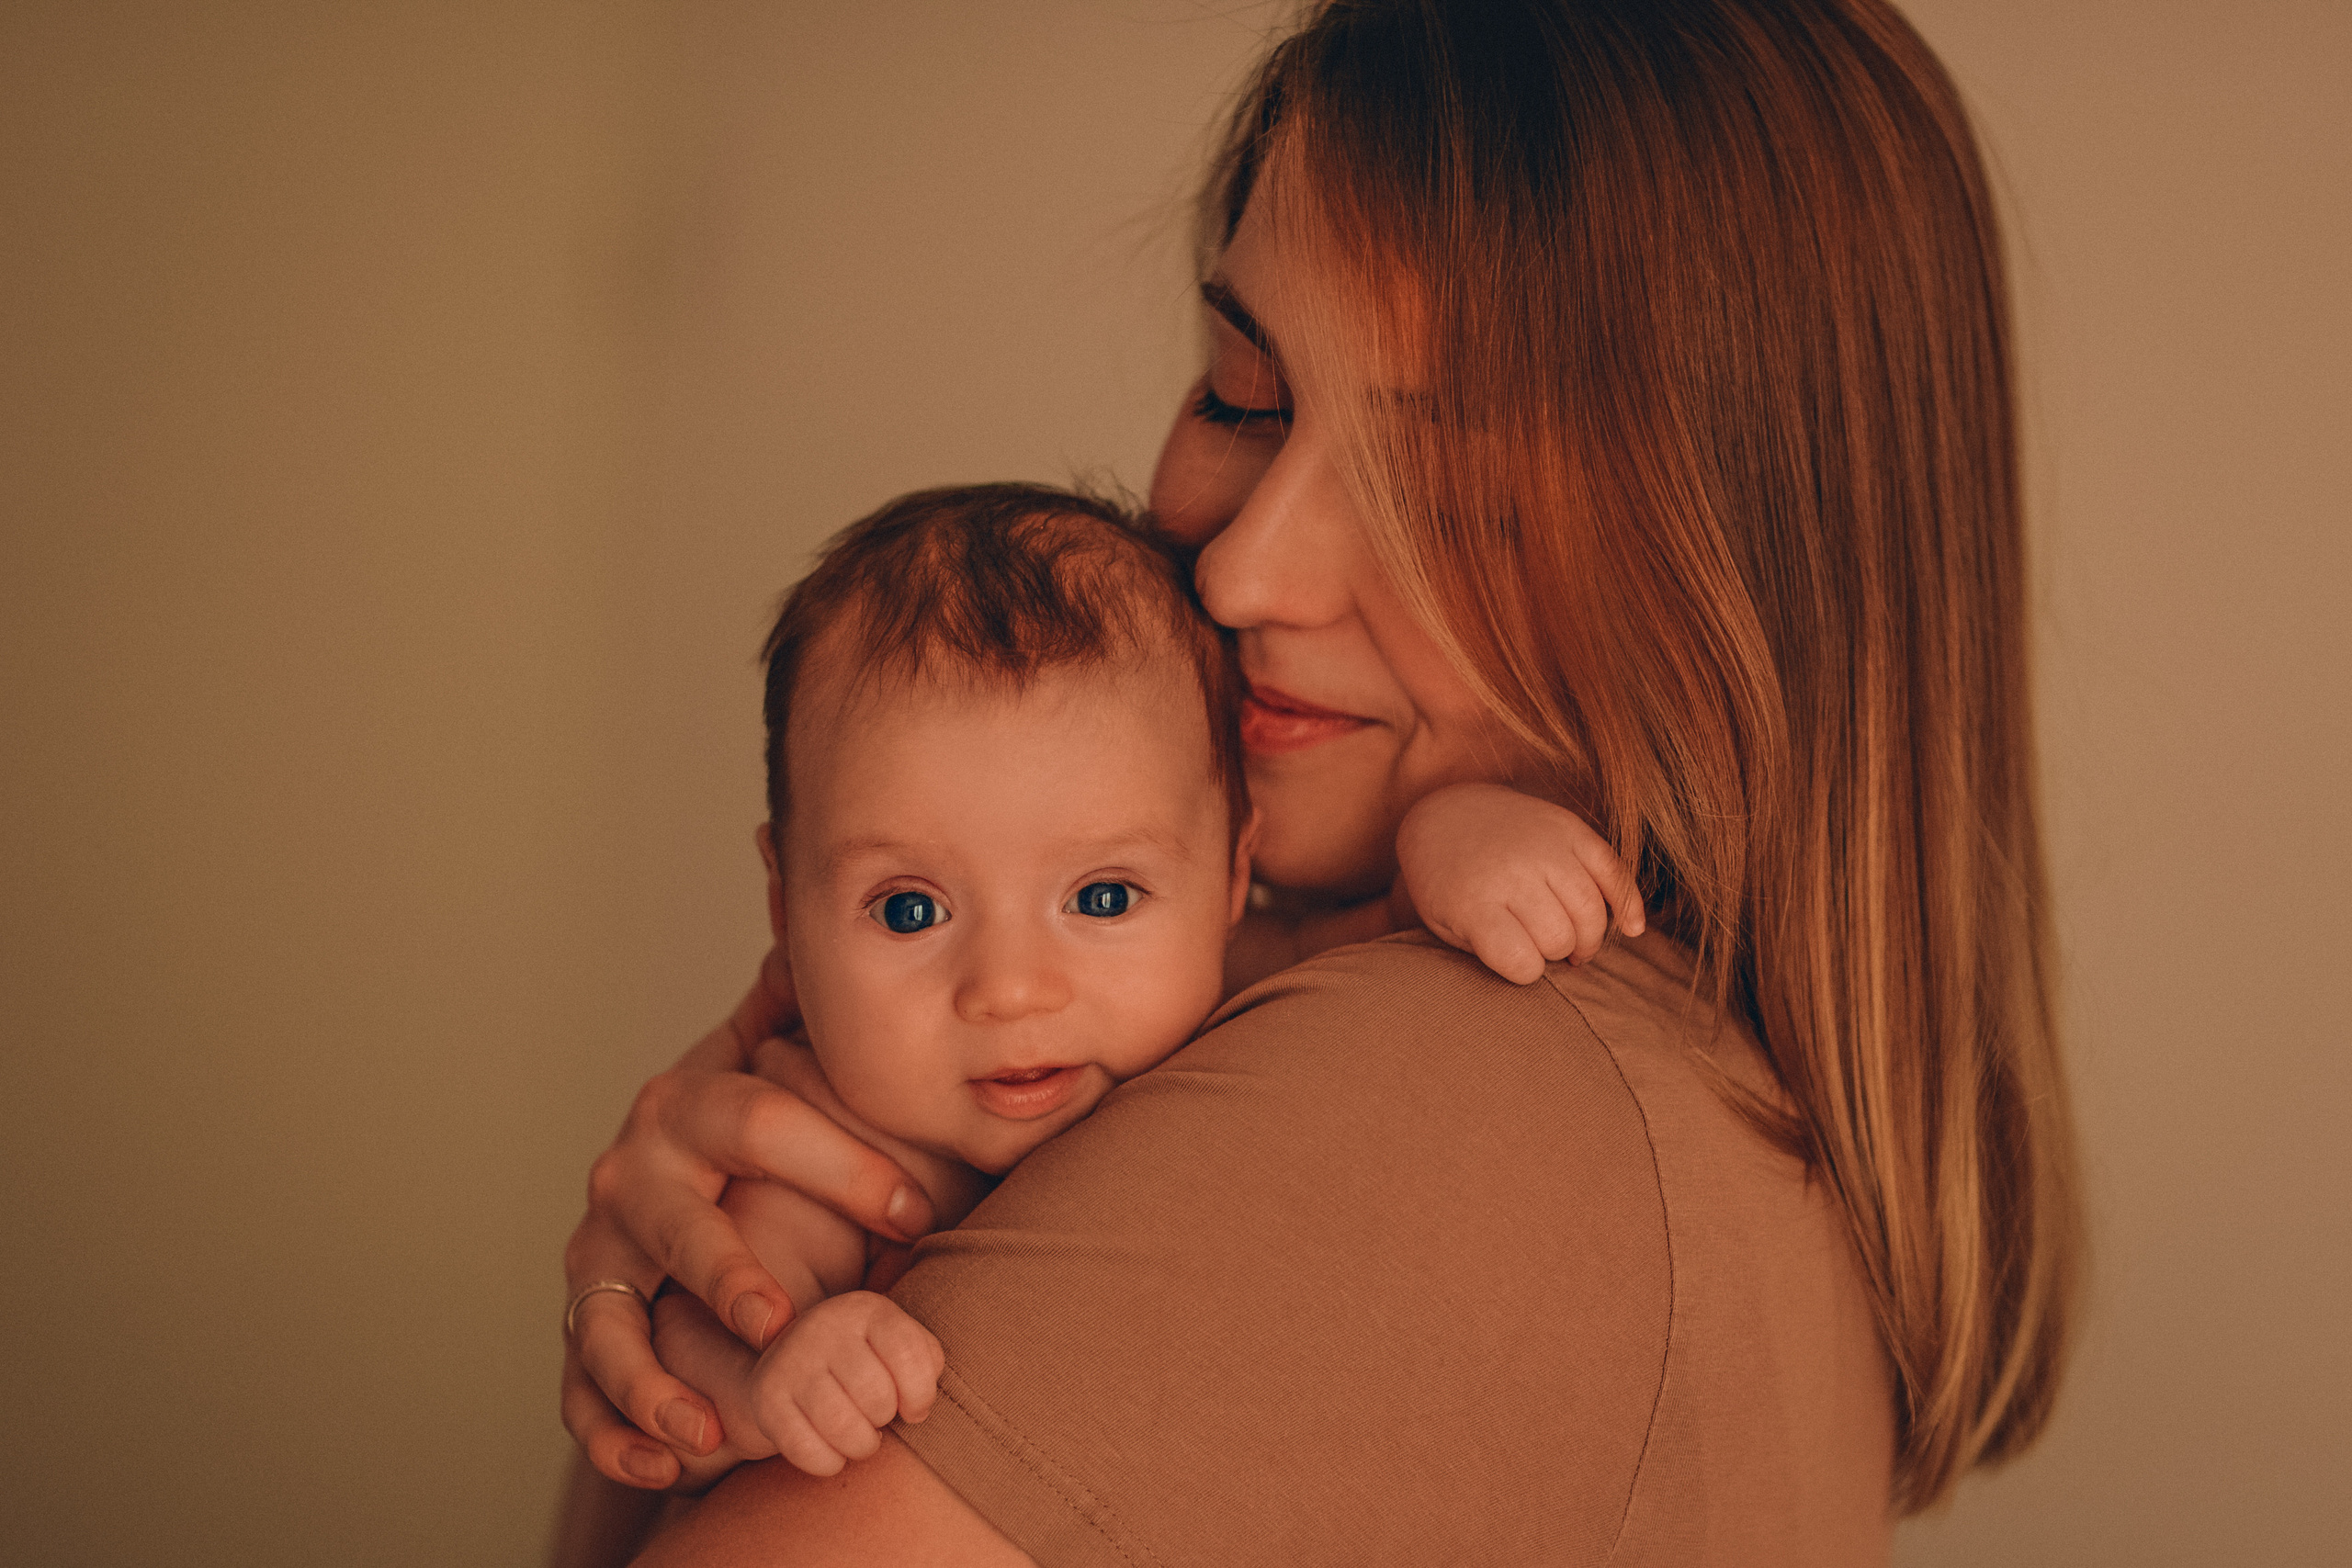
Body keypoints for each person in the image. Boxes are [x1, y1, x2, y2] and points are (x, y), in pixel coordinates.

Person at [558, 1, 2083, 1562]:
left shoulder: (1457, 1084)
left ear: (1750, 580)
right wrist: (687, 1331)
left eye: (1451, 490)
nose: (1238, 572)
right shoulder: (1694, 1094)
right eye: (1241, 395)